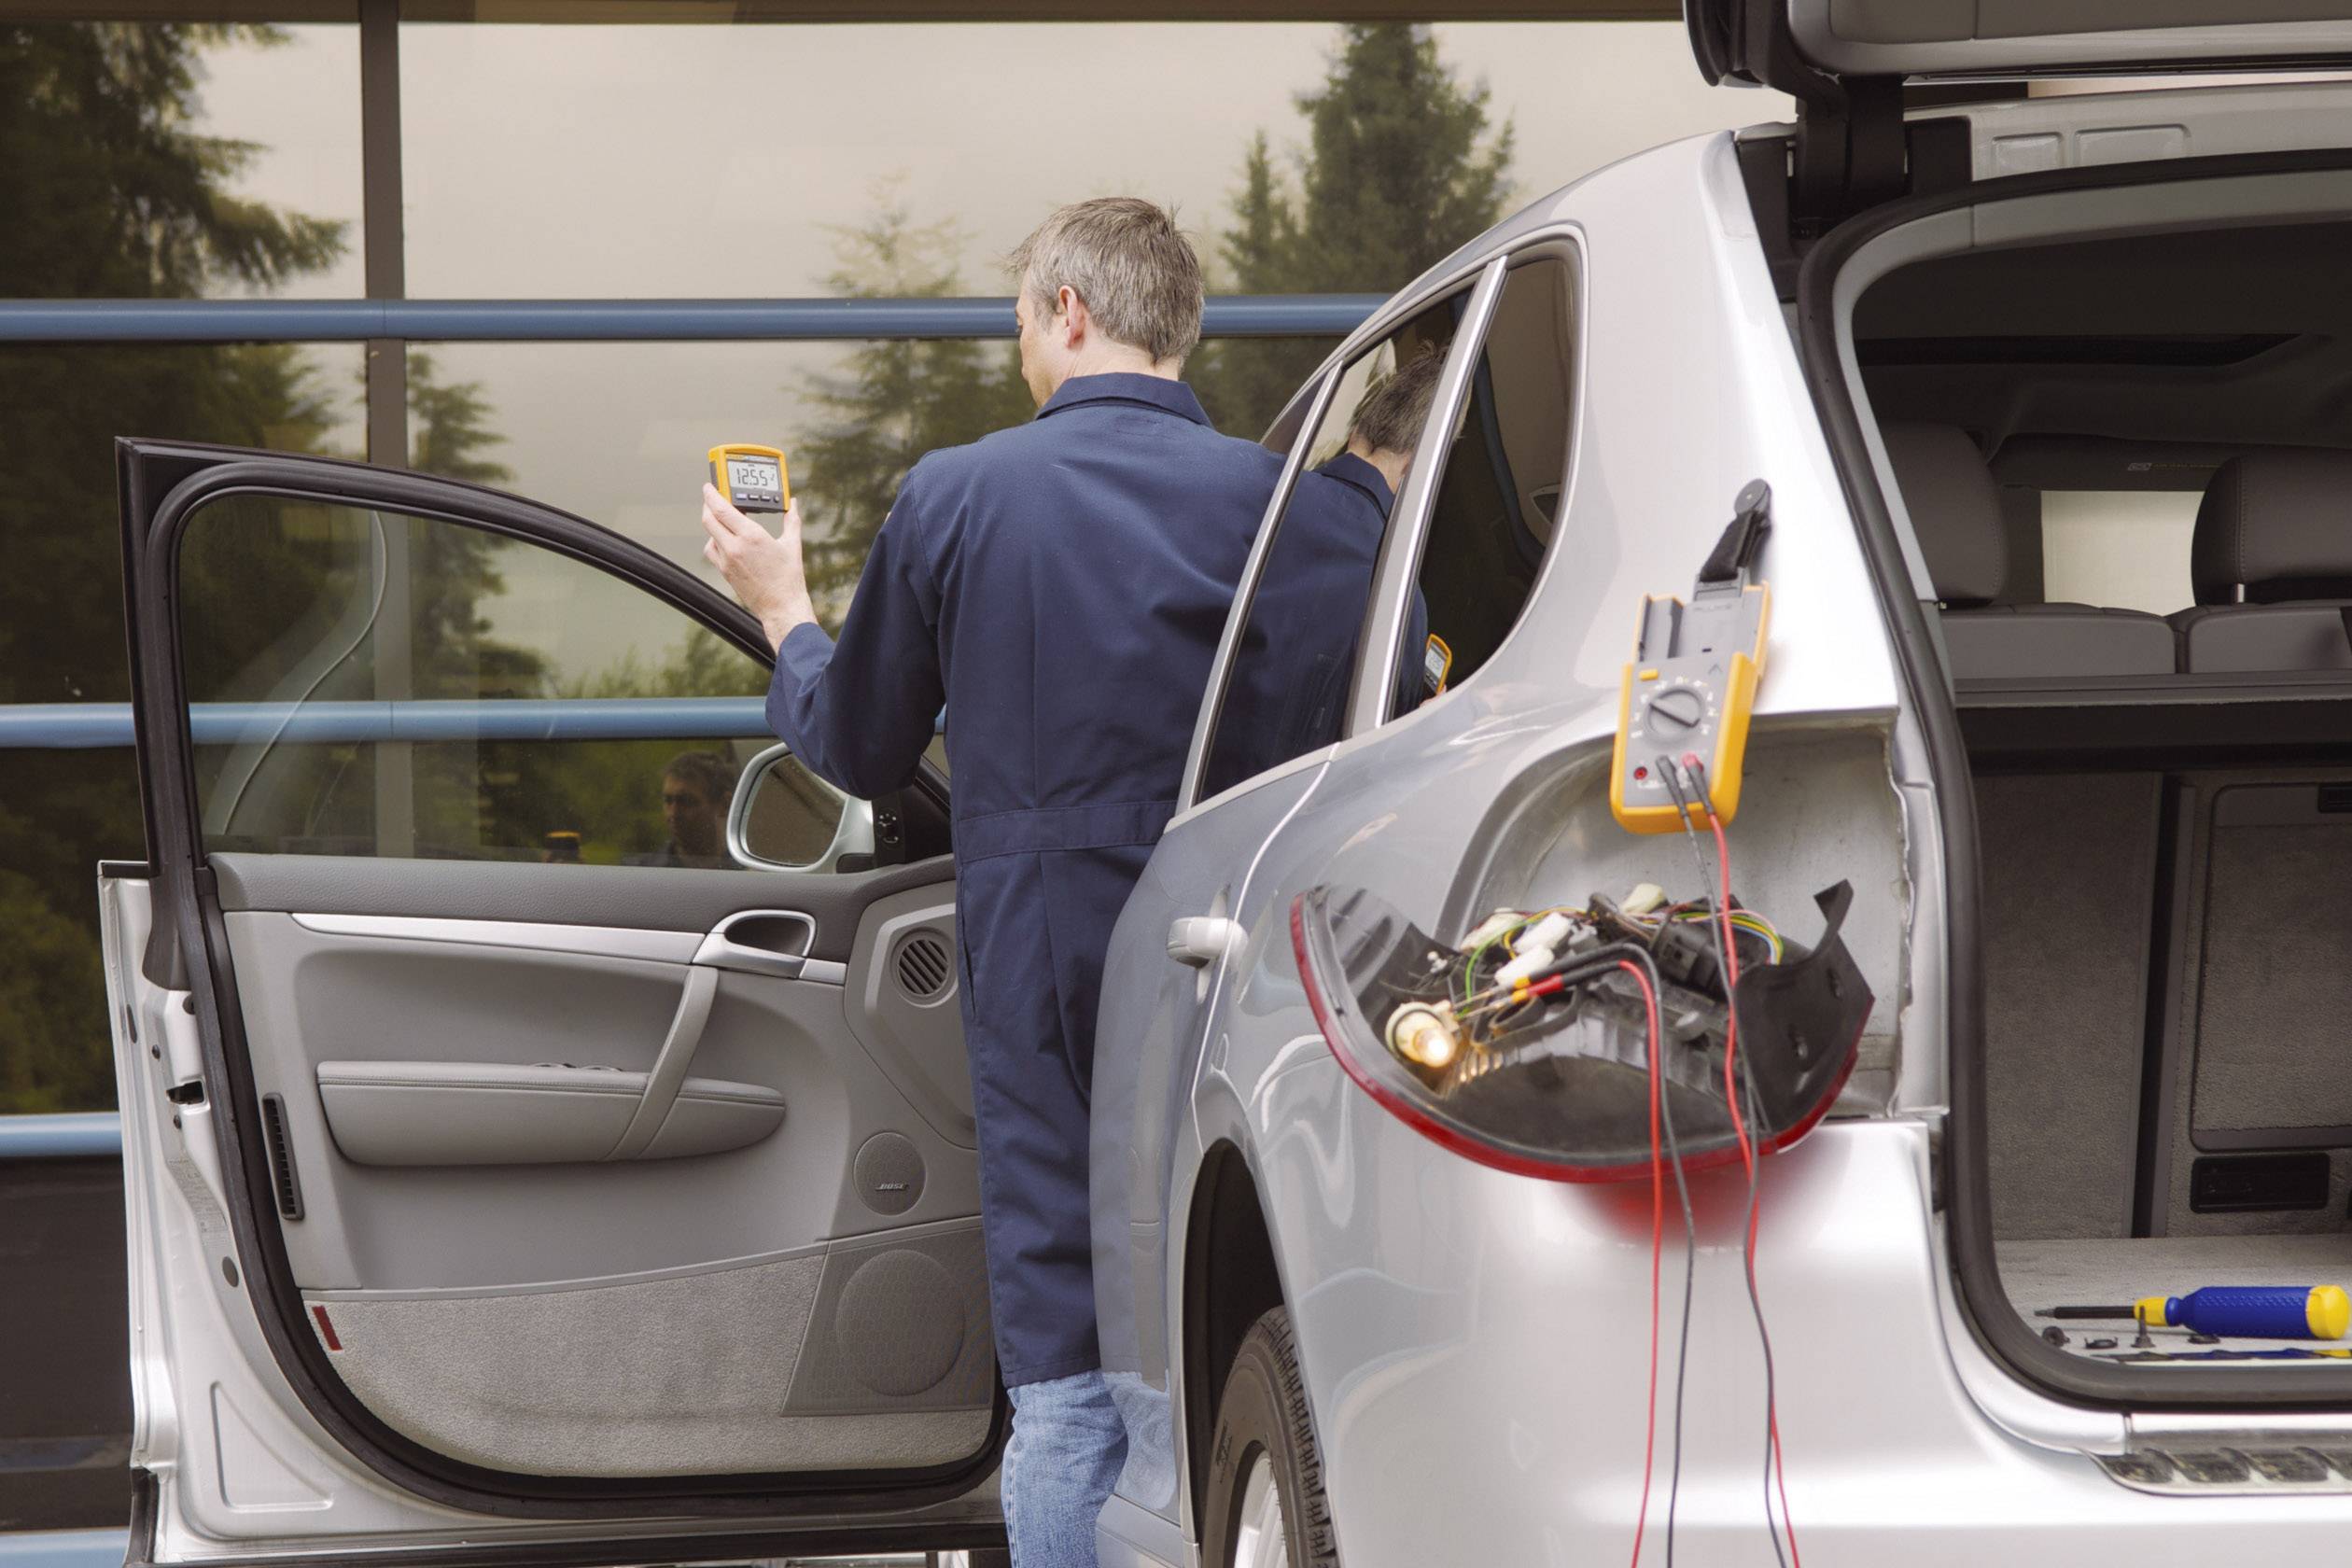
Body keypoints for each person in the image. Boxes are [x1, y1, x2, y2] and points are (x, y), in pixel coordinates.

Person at [697, 197, 1281, 1567]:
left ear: (1070, 315)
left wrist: (785, 610)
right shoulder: (1294, 506)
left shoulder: (963, 493)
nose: (1021, 345)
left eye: (1021, 319)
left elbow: (855, 741)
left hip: (1051, 968)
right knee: (1246, 1308)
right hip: (1258, 954)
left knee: (1074, 1376)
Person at [1201, 347, 1447, 795]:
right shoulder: (1399, 600)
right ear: (1417, 466)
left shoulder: (1256, 500)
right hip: (1292, 825)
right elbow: (1378, 765)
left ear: (1356, 428)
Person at [624, 749, 735, 868]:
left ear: (724, 805)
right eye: (668, 801)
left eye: (686, 802)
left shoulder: (747, 872)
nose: (673, 813)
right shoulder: (640, 872)